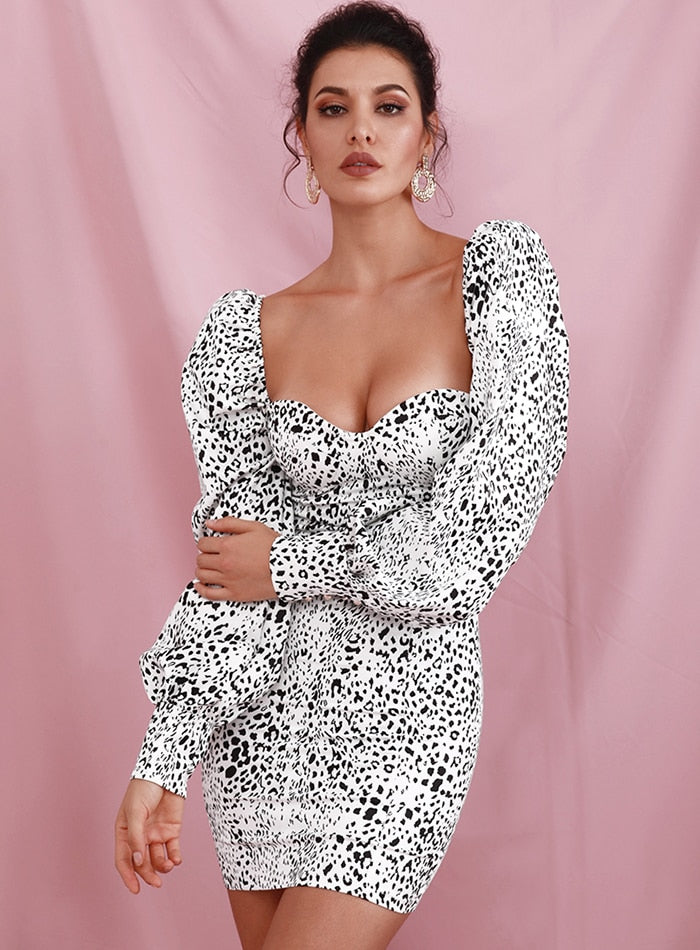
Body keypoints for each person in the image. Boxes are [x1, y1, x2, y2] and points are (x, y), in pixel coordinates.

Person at [114, 3, 569, 948]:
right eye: (334, 108)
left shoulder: (498, 282)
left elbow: (474, 541)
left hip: (410, 715)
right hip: (259, 726)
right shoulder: (247, 333)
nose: (362, 130)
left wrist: (288, 563)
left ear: (427, 134)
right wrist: (163, 758)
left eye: (389, 106)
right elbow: (227, 568)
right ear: (303, 137)